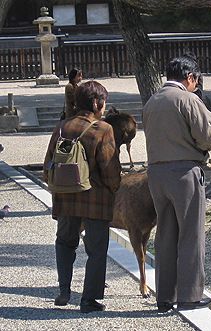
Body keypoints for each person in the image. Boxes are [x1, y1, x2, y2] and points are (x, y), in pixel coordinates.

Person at [143, 55, 211, 313]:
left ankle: (165, 296)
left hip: (156, 173)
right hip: (185, 172)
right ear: (190, 77)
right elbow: (205, 137)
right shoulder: (188, 99)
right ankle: (189, 296)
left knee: (165, 235)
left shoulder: (152, 101)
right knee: (191, 235)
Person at [43, 81, 121, 313]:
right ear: (96, 103)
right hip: (94, 199)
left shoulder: (62, 128)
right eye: (103, 102)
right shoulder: (103, 129)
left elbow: (48, 164)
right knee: (96, 249)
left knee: (65, 242)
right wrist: (114, 188)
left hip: (66, 196)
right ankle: (89, 299)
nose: (104, 107)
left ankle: (64, 290)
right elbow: (110, 169)